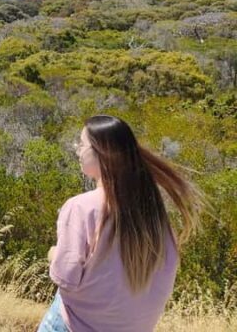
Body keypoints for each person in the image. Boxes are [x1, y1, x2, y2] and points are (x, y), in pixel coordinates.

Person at [38, 115, 204, 332]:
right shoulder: (158, 222)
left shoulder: (81, 207)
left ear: (102, 152)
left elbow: (66, 278)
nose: (77, 149)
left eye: (82, 143)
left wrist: (54, 253)